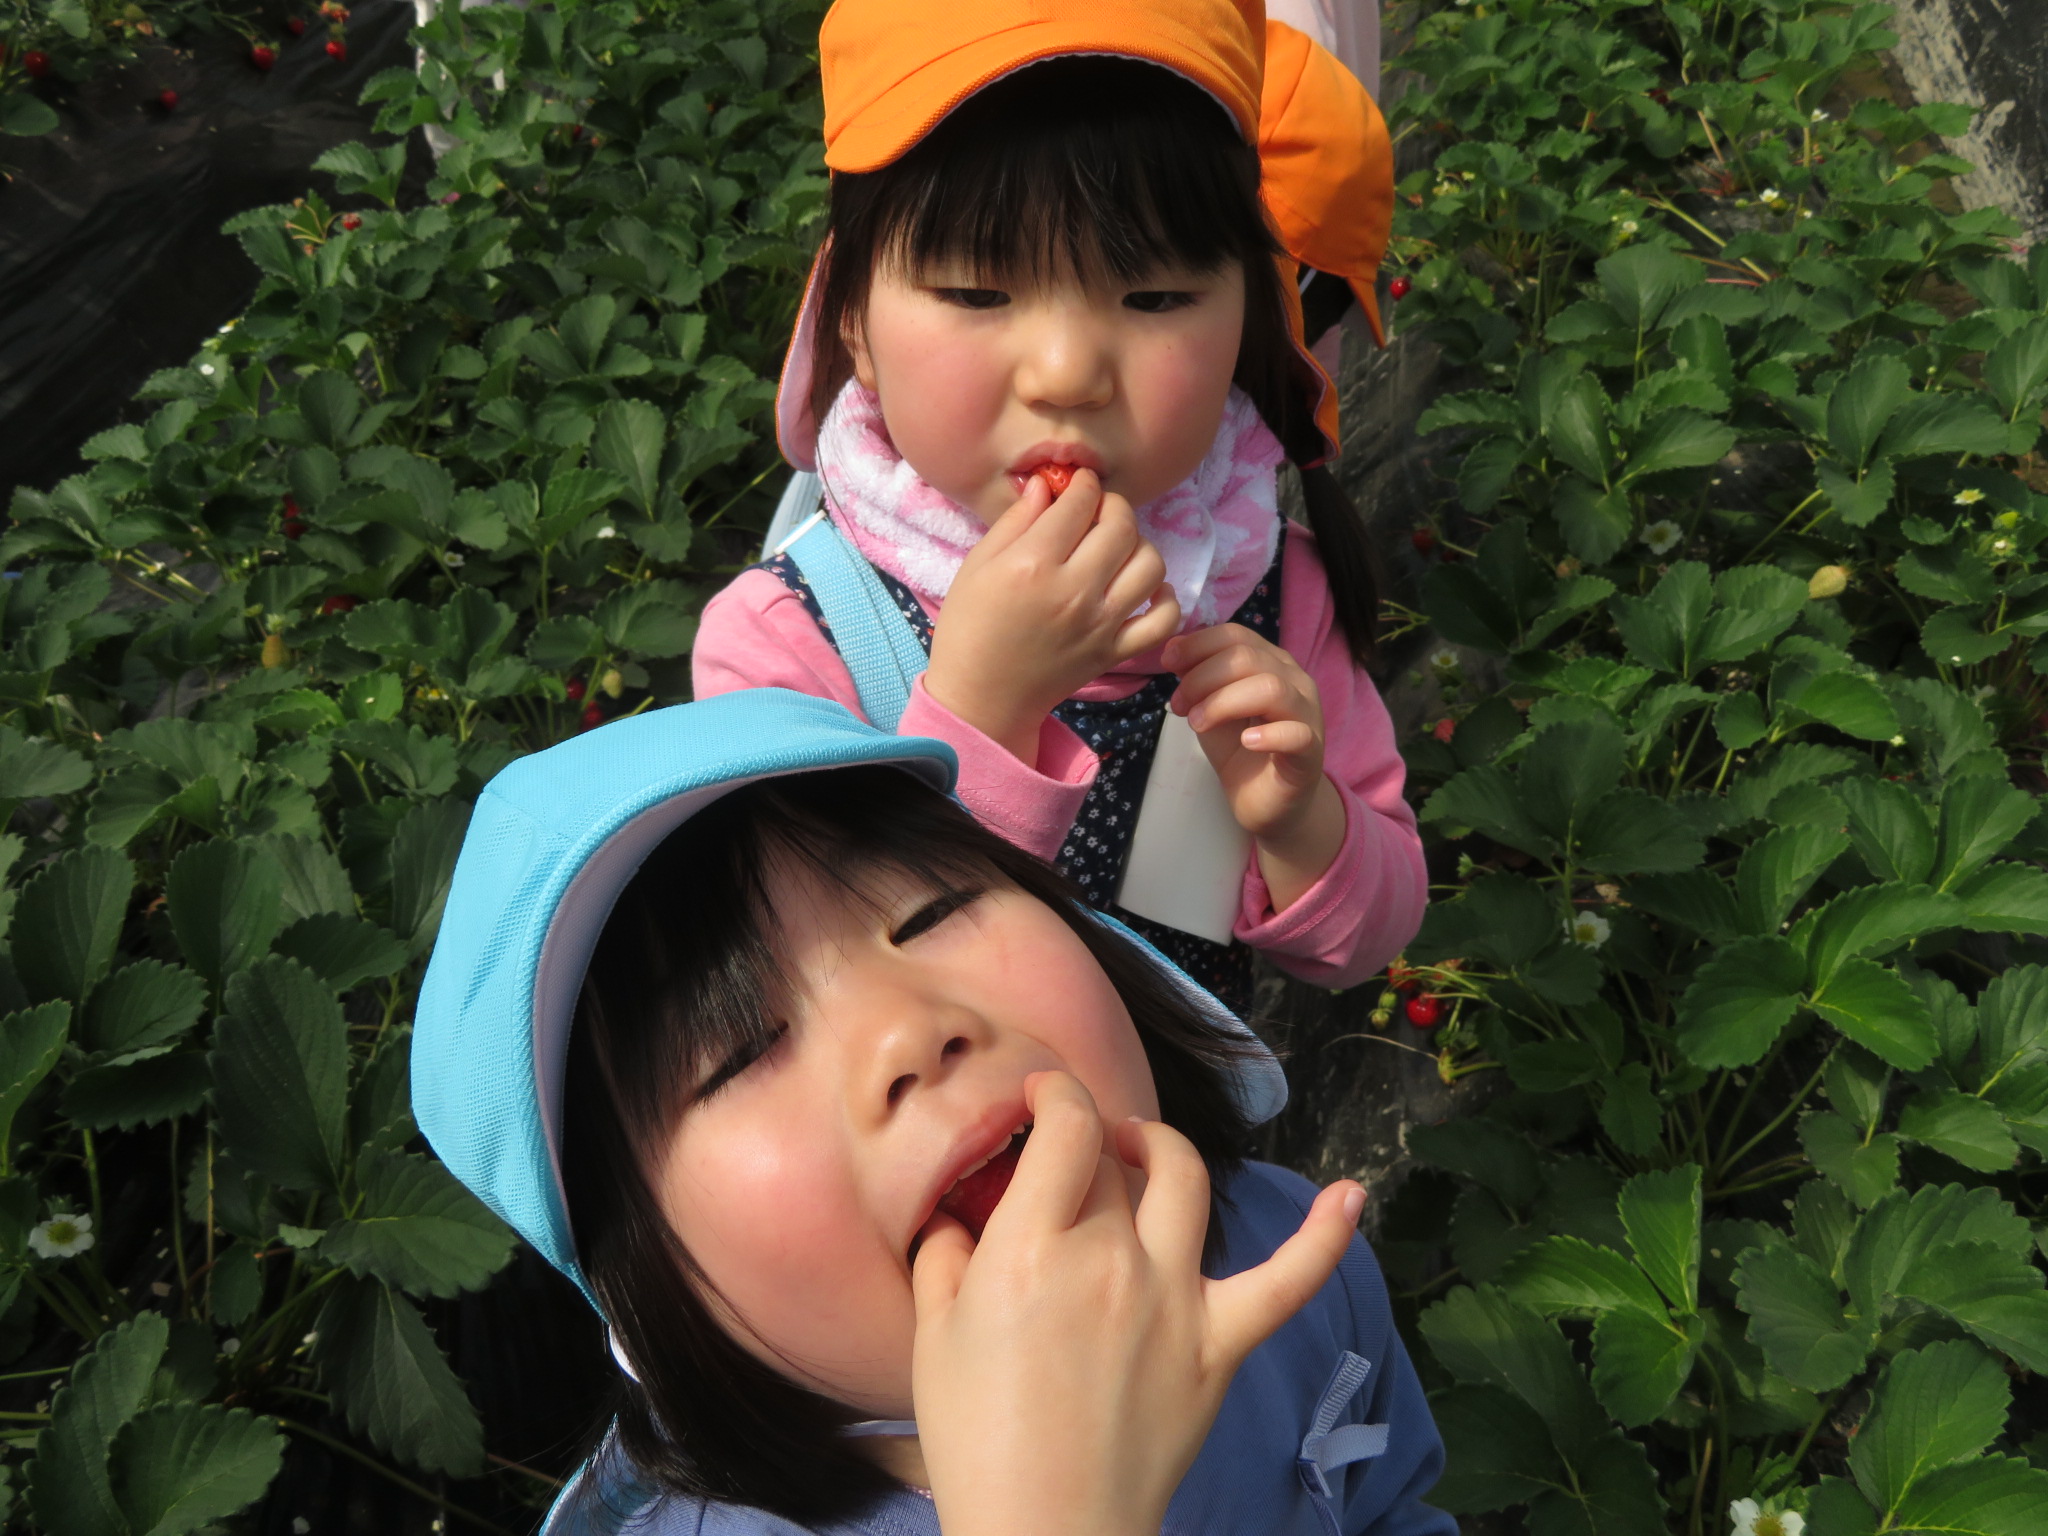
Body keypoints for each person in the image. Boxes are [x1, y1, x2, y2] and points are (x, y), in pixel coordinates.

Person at [411, 688, 1454, 1534]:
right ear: (645, 1294)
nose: (907, 1033)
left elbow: (1390, 1505)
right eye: (739, 1052)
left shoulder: (1287, 1257)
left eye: (931, 911)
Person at [692, 0, 1422, 1022]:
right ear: (849, 318)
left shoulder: (1267, 589)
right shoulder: (788, 641)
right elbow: (808, 988)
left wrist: (1303, 823)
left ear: (1249, 315)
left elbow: (1364, 945)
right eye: (977, 294)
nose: (1068, 373)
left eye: (1153, 298)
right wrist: (980, 714)